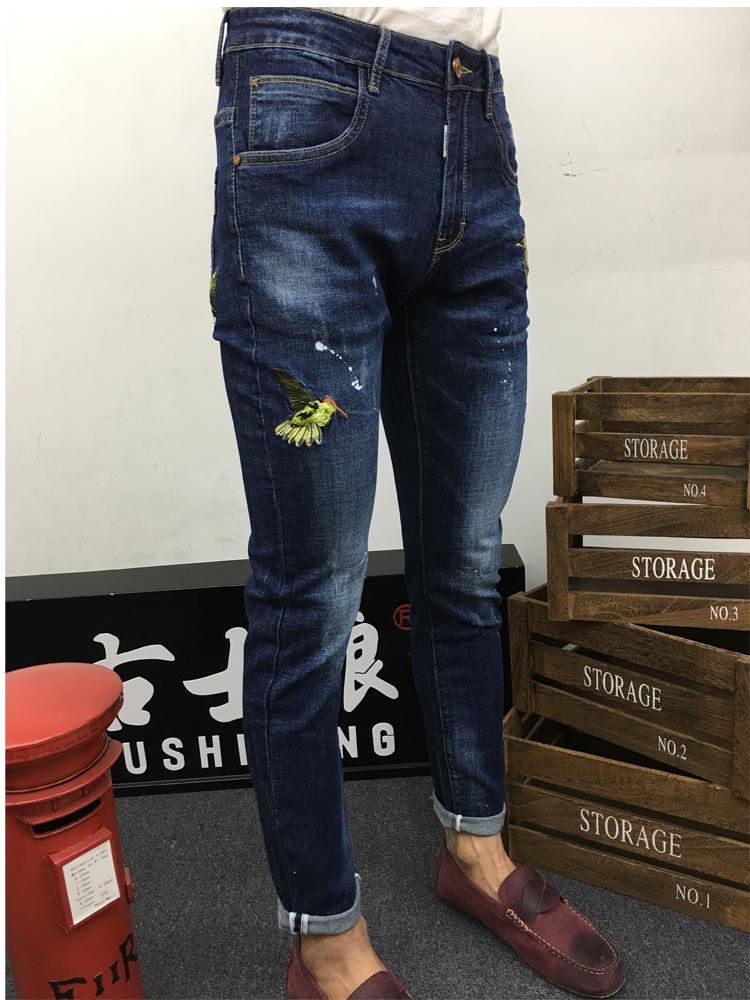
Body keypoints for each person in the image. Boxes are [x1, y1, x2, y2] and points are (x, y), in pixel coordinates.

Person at [211, 8, 625, 999]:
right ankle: (325, 940)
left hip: (474, 123)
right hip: (308, 103)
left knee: (467, 556)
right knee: (313, 591)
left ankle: (477, 846)